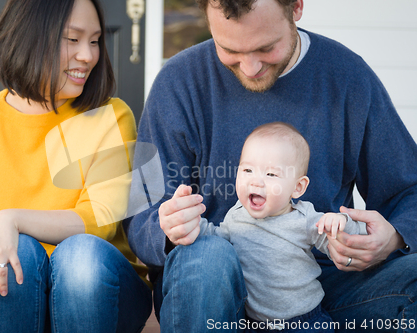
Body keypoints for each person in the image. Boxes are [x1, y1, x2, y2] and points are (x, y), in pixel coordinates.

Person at [125, 0, 417, 332]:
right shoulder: (179, 81)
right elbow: (141, 213)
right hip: (210, 288)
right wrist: (168, 228)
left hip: (322, 290)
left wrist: (392, 238)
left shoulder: (347, 77)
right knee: (206, 256)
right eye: (229, 49)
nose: (249, 68)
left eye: (266, 48)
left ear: (296, 7)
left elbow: (409, 188)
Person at [0, 0, 152, 332]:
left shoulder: (111, 115)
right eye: (73, 39)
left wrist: (11, 218)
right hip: (14, 299)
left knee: (78, 255)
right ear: (28, 38)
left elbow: (100, 220)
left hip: (99, 295)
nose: (88, 55)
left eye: (94, 41)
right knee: (11, 253)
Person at [194, 122, 364, 331]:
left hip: (305, 321)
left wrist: (341, 224)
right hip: (253, 323)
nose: (255, 181)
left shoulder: (304, 219)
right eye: (247, 170)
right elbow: (217, 240)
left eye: (271, 174)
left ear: (297, 187)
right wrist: (194, 226)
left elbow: (348, 243)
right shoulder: (236, 215)